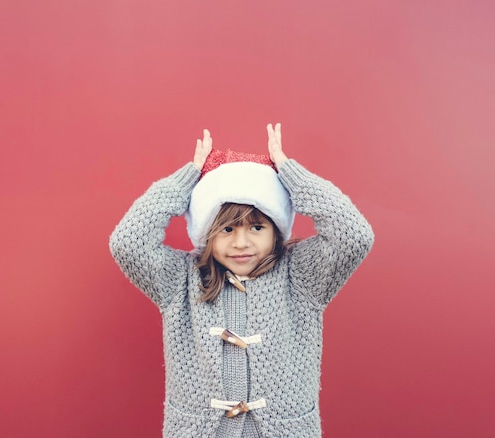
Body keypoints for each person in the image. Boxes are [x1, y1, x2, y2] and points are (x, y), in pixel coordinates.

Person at [109, 123, 374, 437]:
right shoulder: (180, 279)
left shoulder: (302, 275)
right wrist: (188, 178)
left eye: (257, 228)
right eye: (227, 229)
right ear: (207, 233)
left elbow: (354, 236)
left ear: (276, 230)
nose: (241, 243)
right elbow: (128, 242)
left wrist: (290, 174)